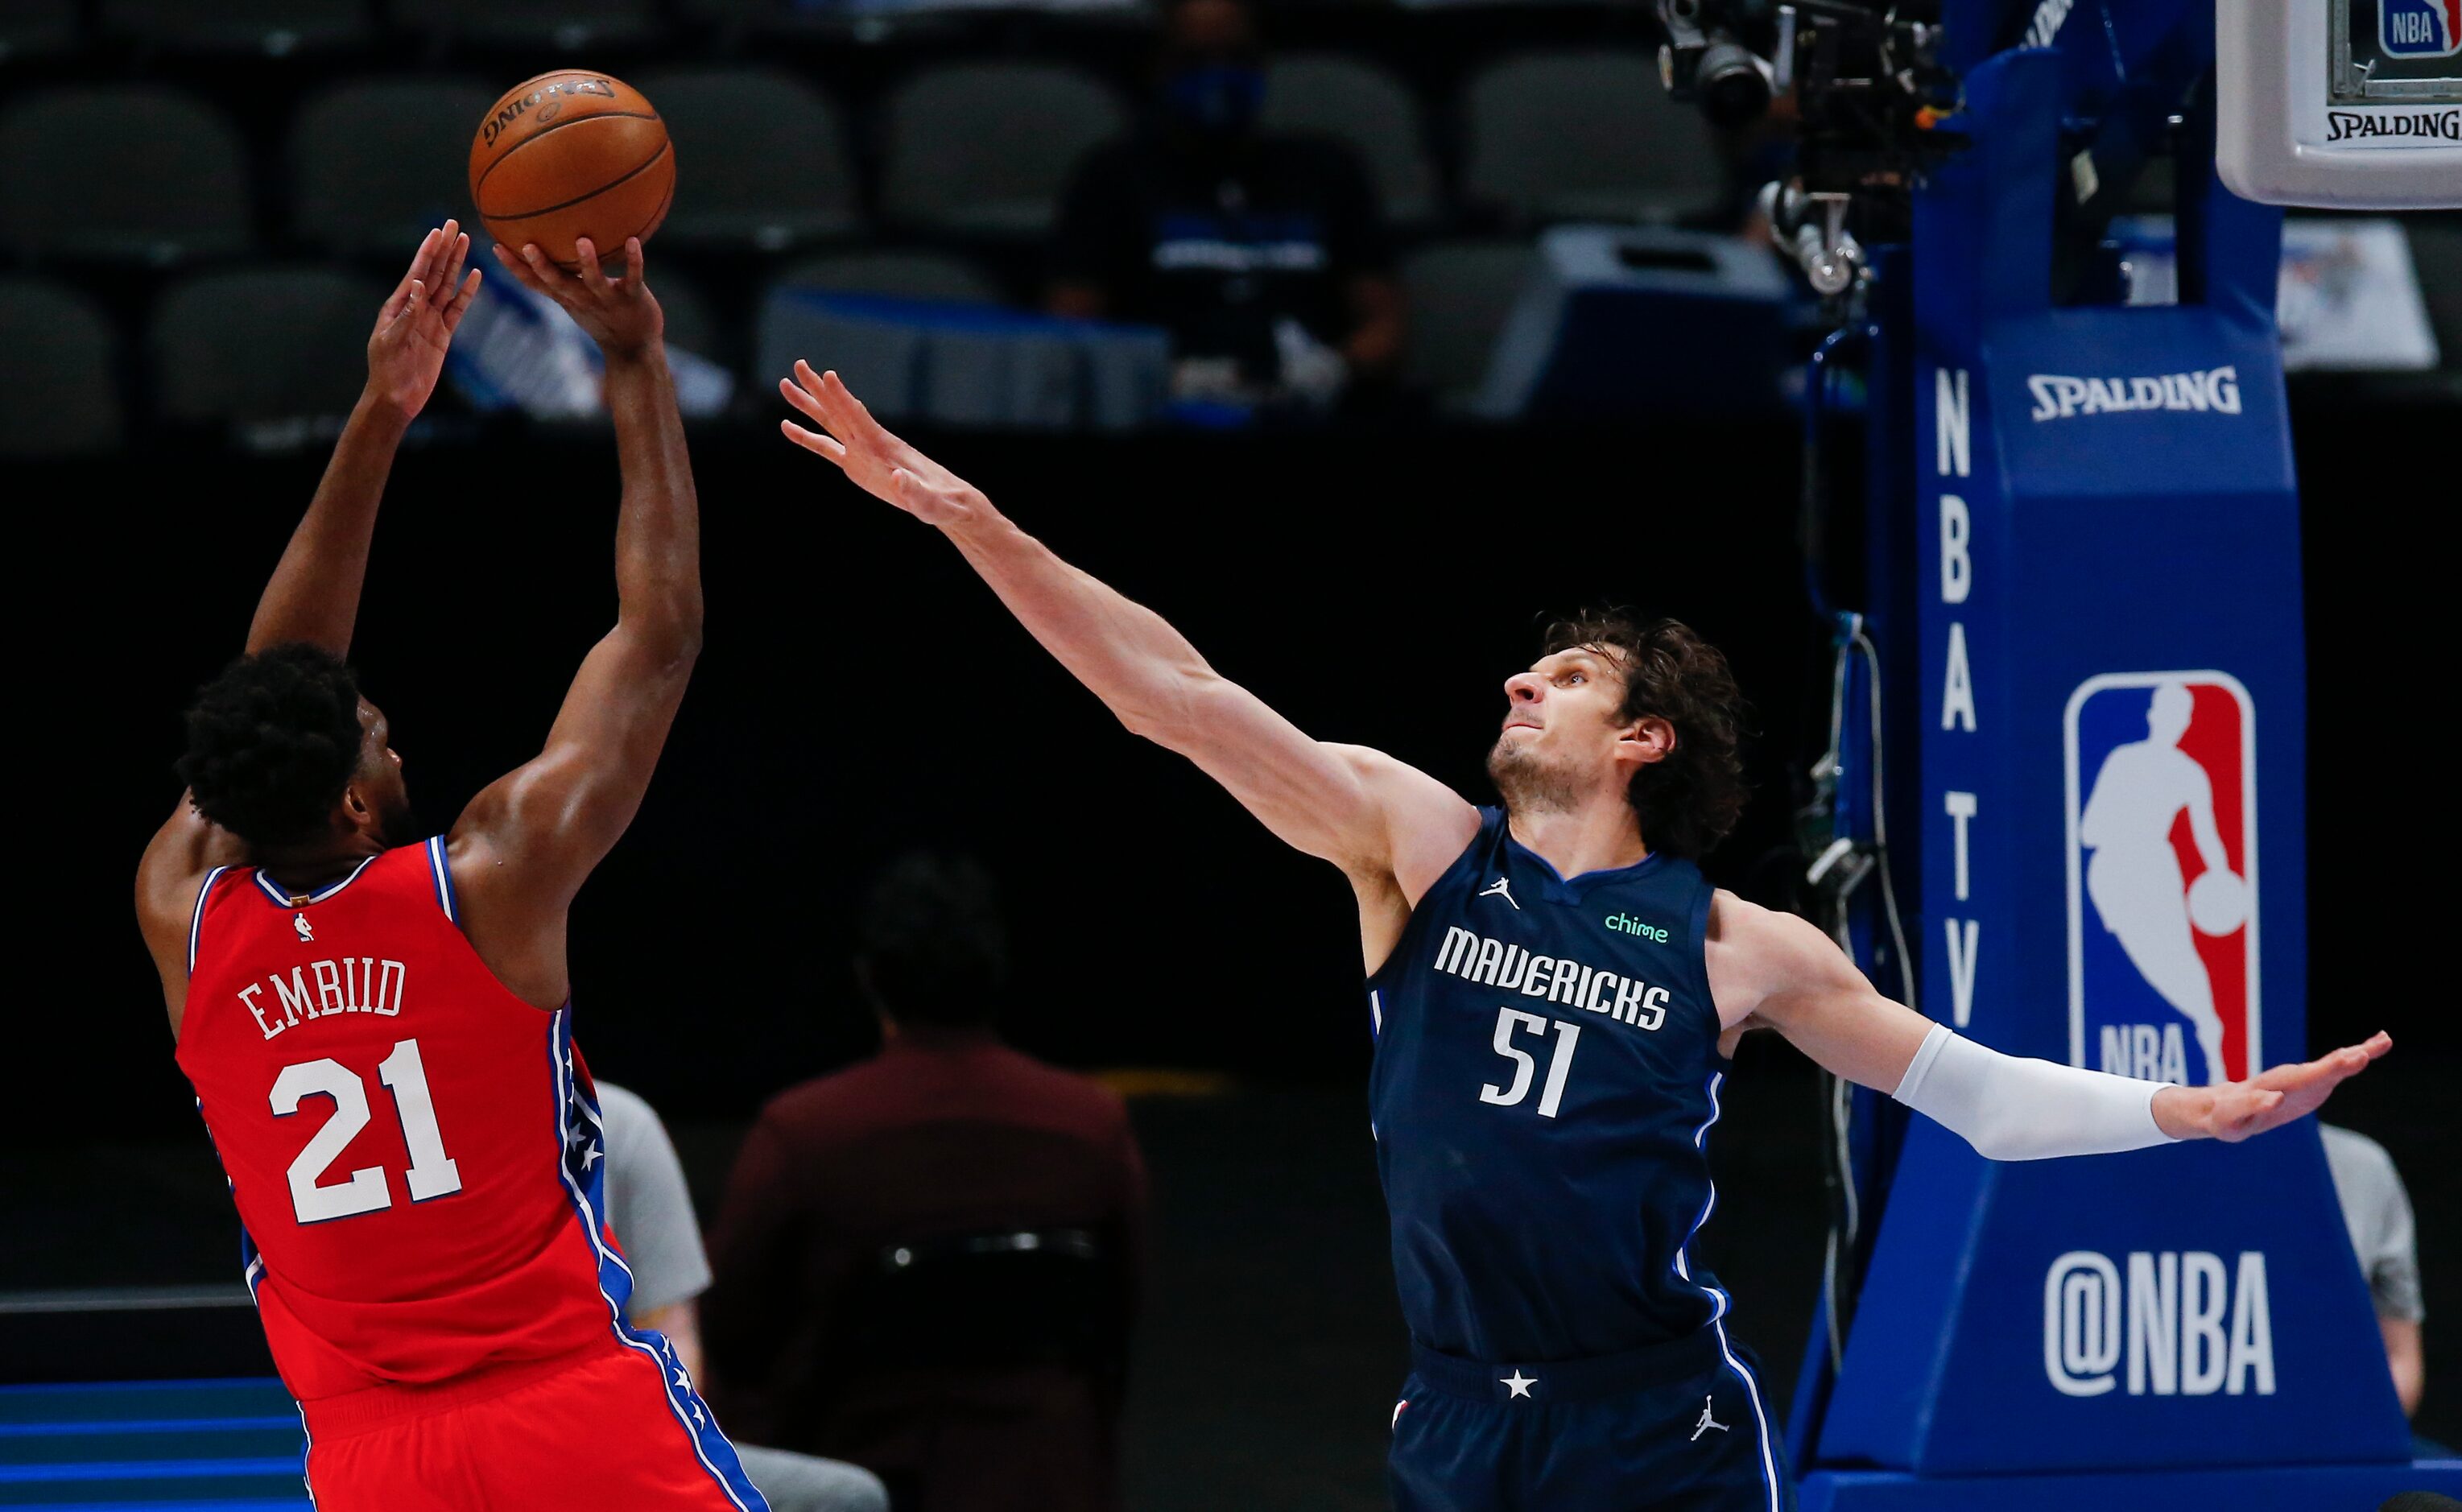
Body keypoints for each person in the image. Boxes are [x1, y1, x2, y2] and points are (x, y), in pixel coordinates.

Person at [772, 361, 2393, 1512]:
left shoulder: (1733, 947)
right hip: (1461, 1414)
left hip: (1651, 1427)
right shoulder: (1415, 851)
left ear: (1643, 743)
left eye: (1560, 681)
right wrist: (964, 515)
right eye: (1521, 672)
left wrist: (2182, 1111)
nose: (1513, 684)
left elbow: (1966, 1093)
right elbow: (1166, 698)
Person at [135, 225, 766, 1511]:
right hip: (569, 1409)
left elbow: (277, 694)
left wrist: (381, 414)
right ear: (361, 803)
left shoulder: (181, 911)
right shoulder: (488, 881)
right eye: (374, 729)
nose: (388, 721)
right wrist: (636, 365)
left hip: (370, 1456)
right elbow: (659, 636)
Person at [703, 852, 1146, 1512]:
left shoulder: (806, 1134)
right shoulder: (1092, 1126)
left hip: (861, 1475)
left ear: (869, 976)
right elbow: (1115, 1324)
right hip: (1051, 1474)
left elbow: (726, 1330)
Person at [1048, 0, 1403, 412]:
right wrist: (1165, 377)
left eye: (1237, 58)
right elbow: (1072, 331)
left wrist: (1336, 367)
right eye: (1196, 59)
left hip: (1310, 413)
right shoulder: (1111, 176)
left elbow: (1385, 325)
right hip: (1165, 417)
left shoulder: (1327, 168)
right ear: (1160, 66)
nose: (1220, 77)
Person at [596, 1080, 892, 1512]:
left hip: (615, 1437)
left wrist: (634, 1456)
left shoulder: (616, 1121)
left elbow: (675, 1342)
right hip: (493, 1437)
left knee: (846, 1498)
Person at [2321, 1123, 2427, 1420]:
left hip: (2343, 1434)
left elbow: (2399, 1355)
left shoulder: (2363, 1166)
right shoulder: (2180, 1155)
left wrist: (2363, 1437)